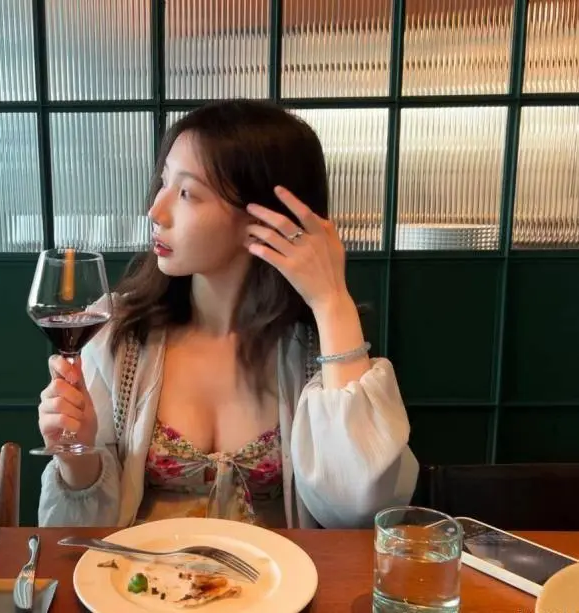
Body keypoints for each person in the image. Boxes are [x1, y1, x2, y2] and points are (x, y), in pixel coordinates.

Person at [37, 100, 418, 529]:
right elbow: (75, 537)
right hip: (138, 572)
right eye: (163, 182)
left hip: (280, 575)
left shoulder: (316, 350)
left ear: (265, 218)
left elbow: (360, 512)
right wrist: (78, 455)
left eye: (186, 193)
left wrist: (332, 301)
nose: (156, 212)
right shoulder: (119, 336)